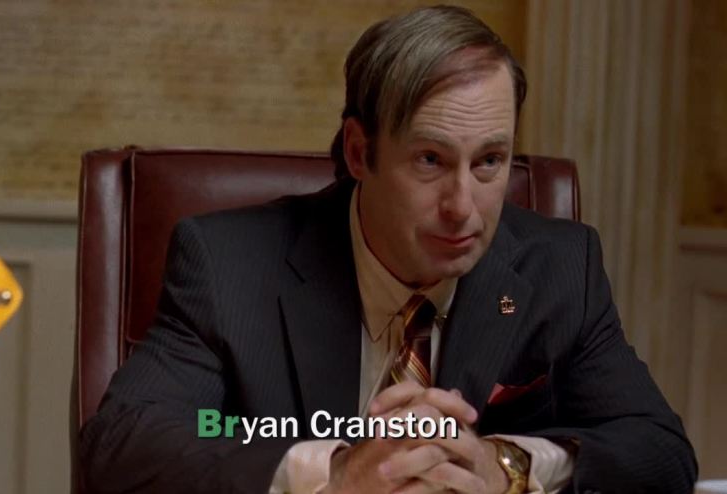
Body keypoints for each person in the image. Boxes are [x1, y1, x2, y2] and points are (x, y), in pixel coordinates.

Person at [80, 5, 697, 493]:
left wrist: (506, 464)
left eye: (489, 161)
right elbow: (121, 446)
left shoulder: (559, 267)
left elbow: (659, 449)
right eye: (429, 160)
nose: (463, 206)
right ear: (359, 152)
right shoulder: (230, 264)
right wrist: (336, 471)